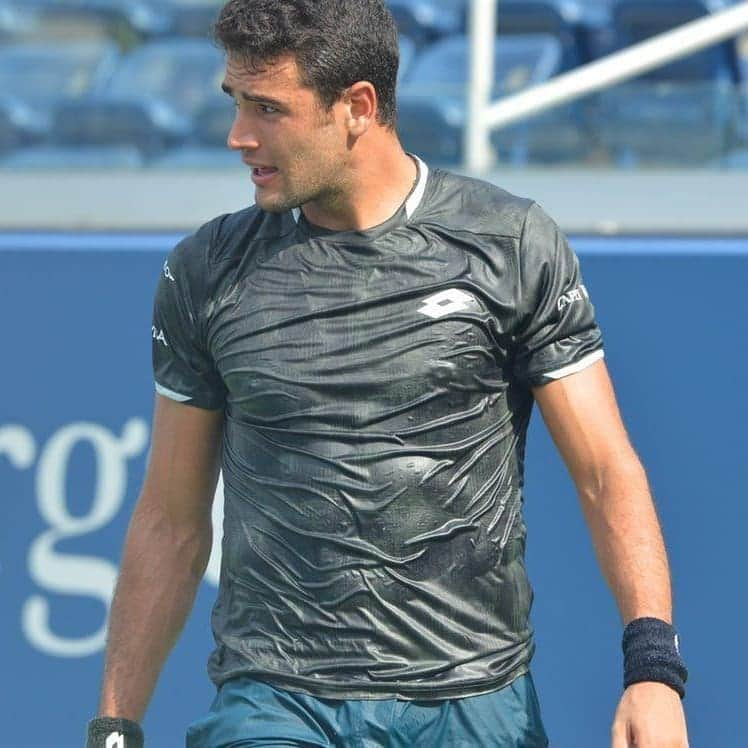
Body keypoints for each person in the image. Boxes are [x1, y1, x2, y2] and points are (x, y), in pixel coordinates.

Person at [86, 1, 689, 746]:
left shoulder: (511, 243)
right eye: (236, 104)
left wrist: (653, 668)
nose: (238, 136)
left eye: (268, 108)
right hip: (276, 701)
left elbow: (604, 470)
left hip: (473, 700)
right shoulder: (205, 272)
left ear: (358, 108)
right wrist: (115, 725)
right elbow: (171, 523)